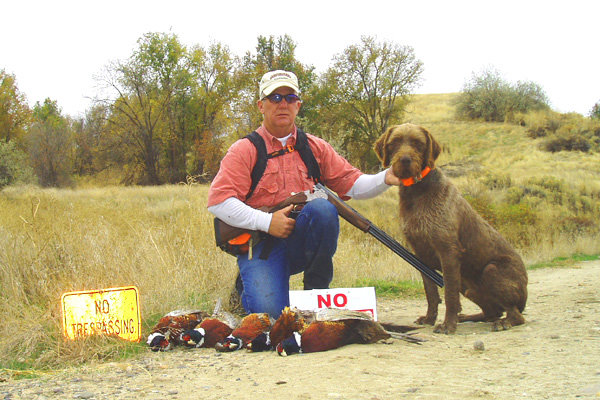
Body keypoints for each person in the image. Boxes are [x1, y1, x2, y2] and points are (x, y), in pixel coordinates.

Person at [208, 70, 400, 318]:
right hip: (261, 245)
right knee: (269, 316)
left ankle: (317, 295)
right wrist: (267, 222)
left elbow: (353, 185)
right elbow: (219, 202)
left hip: (301, 244)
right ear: (261, 106)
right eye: (274, 98)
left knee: (323, 209)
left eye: (289, 98)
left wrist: (385, 177)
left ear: (298, 105)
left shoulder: (316, 147)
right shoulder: (244, 150)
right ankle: (248, 283)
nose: (282, 104)